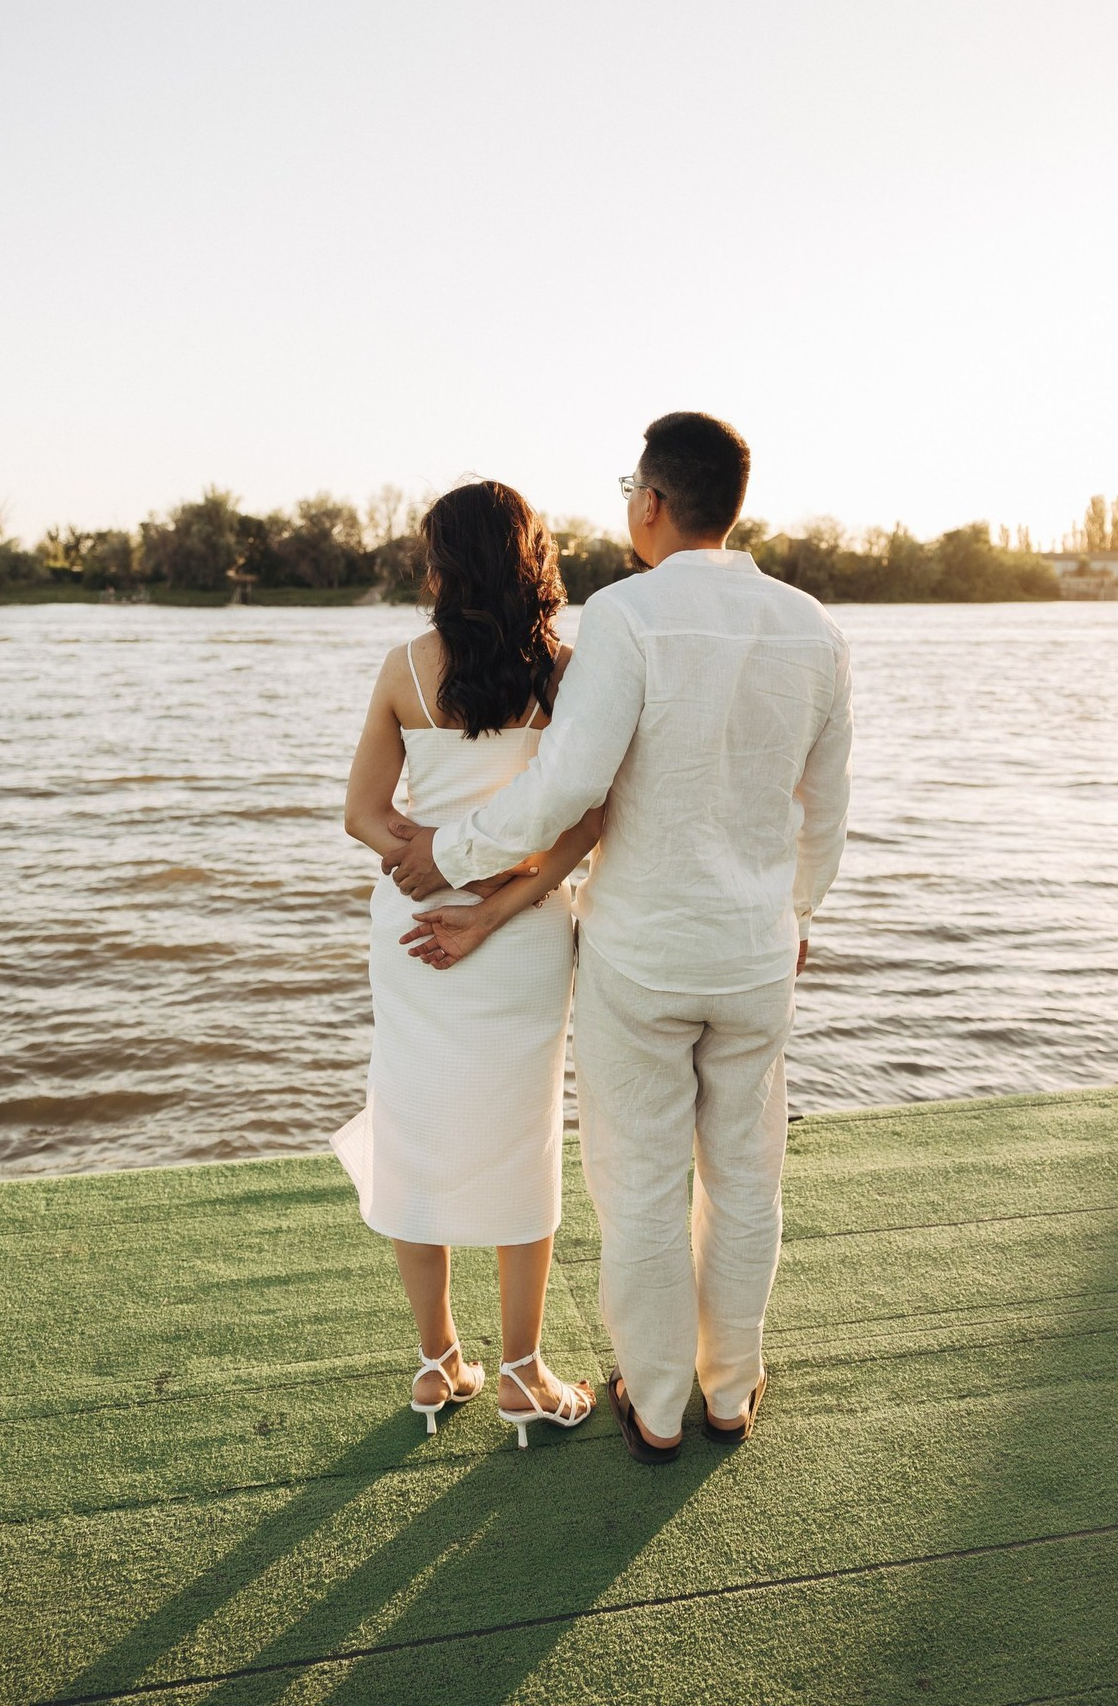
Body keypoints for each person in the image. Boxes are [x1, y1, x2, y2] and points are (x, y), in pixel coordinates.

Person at [390, 413, 852, 1462]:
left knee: (640, 1184)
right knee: (745, 1181)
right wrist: (801, 915)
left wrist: (447, 852)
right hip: (753, 954)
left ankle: (651, 1405)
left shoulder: (626, 618)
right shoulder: (814, 628)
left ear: (648, 501)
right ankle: (729, 1390)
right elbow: (823, 810)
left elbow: (567, 786)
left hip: (640, 955)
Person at [334, 480, 601, 1448]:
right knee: (522, 1134)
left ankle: (438, 1361)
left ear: (442, 565)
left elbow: (361, 811)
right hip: (524, 929)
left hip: (411, 928)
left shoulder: (406, 665)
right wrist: (491, 908)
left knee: (415, 1124)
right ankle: (524, 1374)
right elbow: (585, 827)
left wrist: (424, 856)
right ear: (530, 559)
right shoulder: (570, 675)